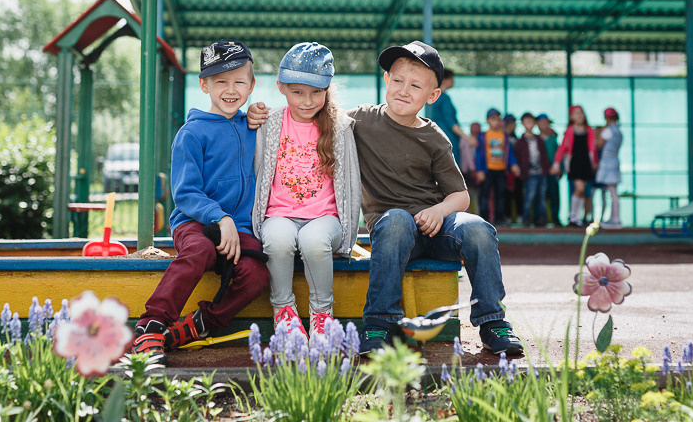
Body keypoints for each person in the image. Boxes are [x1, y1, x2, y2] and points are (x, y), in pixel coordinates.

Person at [249, 40, 523, 357]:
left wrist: (438, 210)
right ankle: (379, 322)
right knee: (397, 220)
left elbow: (460, 196)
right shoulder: (359, 121)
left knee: (477, 228)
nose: (404, 91)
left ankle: (493, 322)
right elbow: (310, 111)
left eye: (416, 85)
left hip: (436, 227)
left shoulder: (434, 137)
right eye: (397, 80)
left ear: (433, 95)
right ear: (386, 81)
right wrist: (261, 111)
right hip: (392, 229)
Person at [132, 40, 270, 363]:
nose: (230, 89)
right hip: (196, 222)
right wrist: (220, 219)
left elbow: (289, 120)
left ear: (251, 85)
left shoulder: (252, 127)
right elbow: (186, 193)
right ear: (204, 84)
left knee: (257, 275)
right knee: (201, 250)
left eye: (239, 81)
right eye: (221, 81)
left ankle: (201, 324)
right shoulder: (191, 134)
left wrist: (259, 112)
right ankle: (150, 325)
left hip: (240, 228)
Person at [252, 42, 361, 338]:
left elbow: (351, 182)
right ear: (281, 87)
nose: (308, 100)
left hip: (326, 218)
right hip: (279, 214)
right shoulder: (269, 124)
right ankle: (284, 310)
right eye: (298, 92)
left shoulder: (338, 127)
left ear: (327, 90)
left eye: (316, 92)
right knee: (277, 239)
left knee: (313, 240)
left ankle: (322, 314)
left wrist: (348, 235)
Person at [550, 105, 598, 227]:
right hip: (575, 164)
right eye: (576, 113)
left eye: (581, 113)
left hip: (586, 164)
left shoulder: (590, 131)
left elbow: (593, 149)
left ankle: (576, 218)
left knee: (583, 192)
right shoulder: (569, 131)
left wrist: (595, 163)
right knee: (579, 189)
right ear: (571, 117)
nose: (579, 116)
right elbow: (562, 148)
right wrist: (556, 163)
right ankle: (572, 215)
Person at [475, 108, 521, 227]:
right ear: (488, 121)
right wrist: (479, 170)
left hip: (501, 169)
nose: (496, 122)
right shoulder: (483, 136)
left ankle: (500, 218)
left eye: (497, 119)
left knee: (500, 195)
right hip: (487, 170)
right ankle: (484, 219)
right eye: (493, 119)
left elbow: (509, 152)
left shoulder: (504, 136)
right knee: (484, 195)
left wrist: (514, 164)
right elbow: (479, 154)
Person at [428, 68, 475, 167]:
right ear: (445, 79)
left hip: (434, 139)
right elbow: (451, 123)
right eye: (452, 78)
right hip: (447, 139)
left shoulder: (431, 97)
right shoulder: (444, 98)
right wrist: (467, 137)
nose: (454, 81)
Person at [513, 112, 551, 227]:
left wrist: (547, 169)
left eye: (531, 122)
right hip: (529, 174)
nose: (529, 124)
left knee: (542, 197)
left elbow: (544, 156)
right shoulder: (520, 142)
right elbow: (517, 157)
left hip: (541, 173)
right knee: (529, 197)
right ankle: (526, 220)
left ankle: (541, 220)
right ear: (523, 124)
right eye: (527, 122)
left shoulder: (539, 140)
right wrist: (519, 170)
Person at [595, 107, 623, 228]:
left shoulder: (608, 131)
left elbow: (599, 145)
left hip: (607, 162)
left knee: (612, 192)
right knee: (613, 192)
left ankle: (615, 219)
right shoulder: (619, 131)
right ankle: (613, 217)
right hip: (615, 160)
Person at [536, 113, 561, 225]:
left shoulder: (553, 139)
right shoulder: (536, 139)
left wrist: (560, 169)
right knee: (540, 196)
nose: (544, 125)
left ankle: (555, 218)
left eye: (546, 123)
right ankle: (541, 219)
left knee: (554, 195)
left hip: (552, 171)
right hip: (539, 172)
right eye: (541, 123)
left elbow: (559, 155)